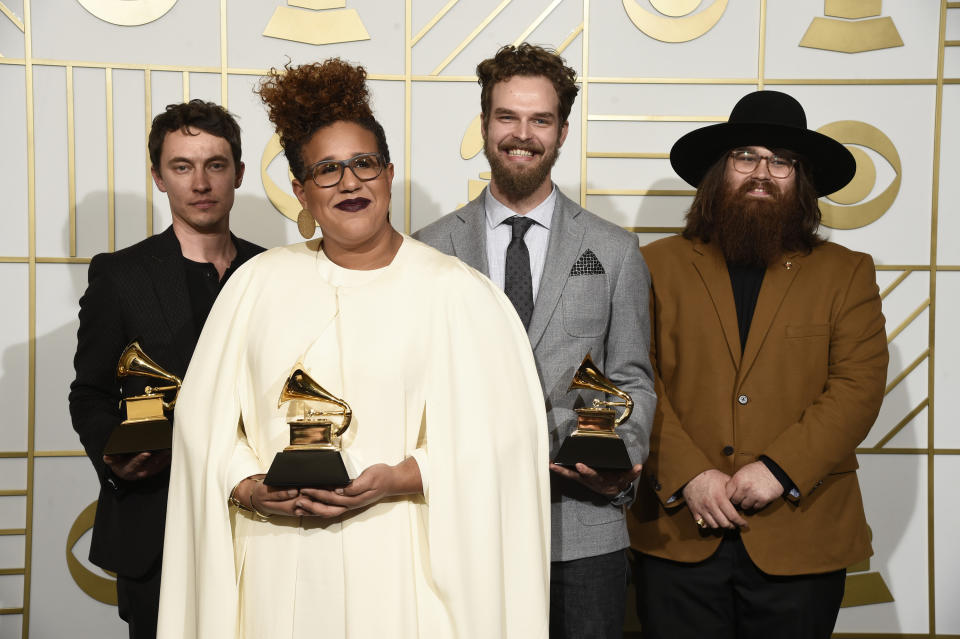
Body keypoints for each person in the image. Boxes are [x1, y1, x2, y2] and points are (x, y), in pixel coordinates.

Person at [155, 59, 551, 639]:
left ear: (389, 173)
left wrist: (401, 476)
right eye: (326, 169)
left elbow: (504, 445)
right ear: (300, 190)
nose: (349, 182)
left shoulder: (457, 293)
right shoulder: (256, 285)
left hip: (400, 563)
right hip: (276, 561)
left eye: (364, 163)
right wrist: (247, 485)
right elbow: (204, 426)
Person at [627, 90, 889, 639]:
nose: (762, 172)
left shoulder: (847, 272)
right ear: (720, 172)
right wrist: (689, 475)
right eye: (746, 156)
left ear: (801, 180)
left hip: (802, 534)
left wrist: (780, 469)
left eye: (781, 162)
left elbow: (858, 386)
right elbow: (632, 377)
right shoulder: (651, 265)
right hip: (677, 532)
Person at [415, 43, 657, 639]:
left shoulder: (615, 250)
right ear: (484, 125)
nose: (522, 134)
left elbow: (632, 378)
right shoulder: (426, 248)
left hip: (581, 527)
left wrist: (621, 456)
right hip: (462, 526)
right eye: (507, 117)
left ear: (562, 131)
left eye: (540, 120)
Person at [69, 99, 264, 639]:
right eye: (182, 166)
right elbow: (89, 394)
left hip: (258, 523)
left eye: (215, 165)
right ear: (159, 177)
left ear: (239, 174)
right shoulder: (119, 275)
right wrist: (116, 455)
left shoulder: (274, 271)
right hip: (156, 528)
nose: (200, 182)